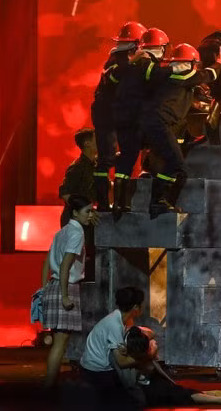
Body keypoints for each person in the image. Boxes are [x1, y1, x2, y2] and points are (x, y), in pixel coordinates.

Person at [140, 43, 221, 217]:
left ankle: (164, 202)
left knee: (174, 167)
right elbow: (209, 75)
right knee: (177, 164)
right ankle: (157, 202)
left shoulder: (167, 76)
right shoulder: (182, 74)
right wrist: (219, 63)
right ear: (190, 63)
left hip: (155, 124)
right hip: (160, 124)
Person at [110, 28, 172, 217]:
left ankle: (120, 203)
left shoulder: (129, 64)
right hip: (138, 120)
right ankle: (157, 198)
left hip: (122, 119)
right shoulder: (147, 64)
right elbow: (157, 83)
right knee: (162, 152)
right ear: (161, 48)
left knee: (126, 161)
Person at [91, 21, 147, 211]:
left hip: (122, 113)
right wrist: (133, 62)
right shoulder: (116, 58)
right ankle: (104, 204)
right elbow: (113, 77)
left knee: (127, 156)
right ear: (138, 43)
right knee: (106, 159)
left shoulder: (133, 59)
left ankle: (122, 203)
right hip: (106, 113)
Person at [41, 195, 94, 387]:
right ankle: (48, 386)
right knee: (60, 343)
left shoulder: (62, 231)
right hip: (66, 287)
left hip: (54, 284)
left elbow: (47, 262)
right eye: (87, 211)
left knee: (58, 341)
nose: (90, 215)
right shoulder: (77, 233)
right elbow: (65, 265)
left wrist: (43, 288)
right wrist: (64, 295)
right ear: (75, 213)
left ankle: (49, 384)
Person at [123, 326, 221, 406]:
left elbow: (150, 335)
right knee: (184, 396)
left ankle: (206, 393)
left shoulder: (132, 342)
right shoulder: (136, 357)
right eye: (150, 343)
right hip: (150, 391)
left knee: (180, 391)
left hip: (151, 382)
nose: (153, 343)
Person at [78, 287, 145, 406]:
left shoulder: (123, 319)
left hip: (99, 369)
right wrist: (144, 357)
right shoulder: (115, 324)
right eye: (141, 304)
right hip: (95, 373)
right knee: (132, 400)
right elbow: (122, 362)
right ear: (135, 307)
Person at [58, 128, 100, 279]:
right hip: (74, 221)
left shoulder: (96, 166)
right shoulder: (77, 167)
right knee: (74, 263)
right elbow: (65, 193)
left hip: (87, 222)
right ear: (87, 143)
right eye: (97, 139)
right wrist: (86, 211)